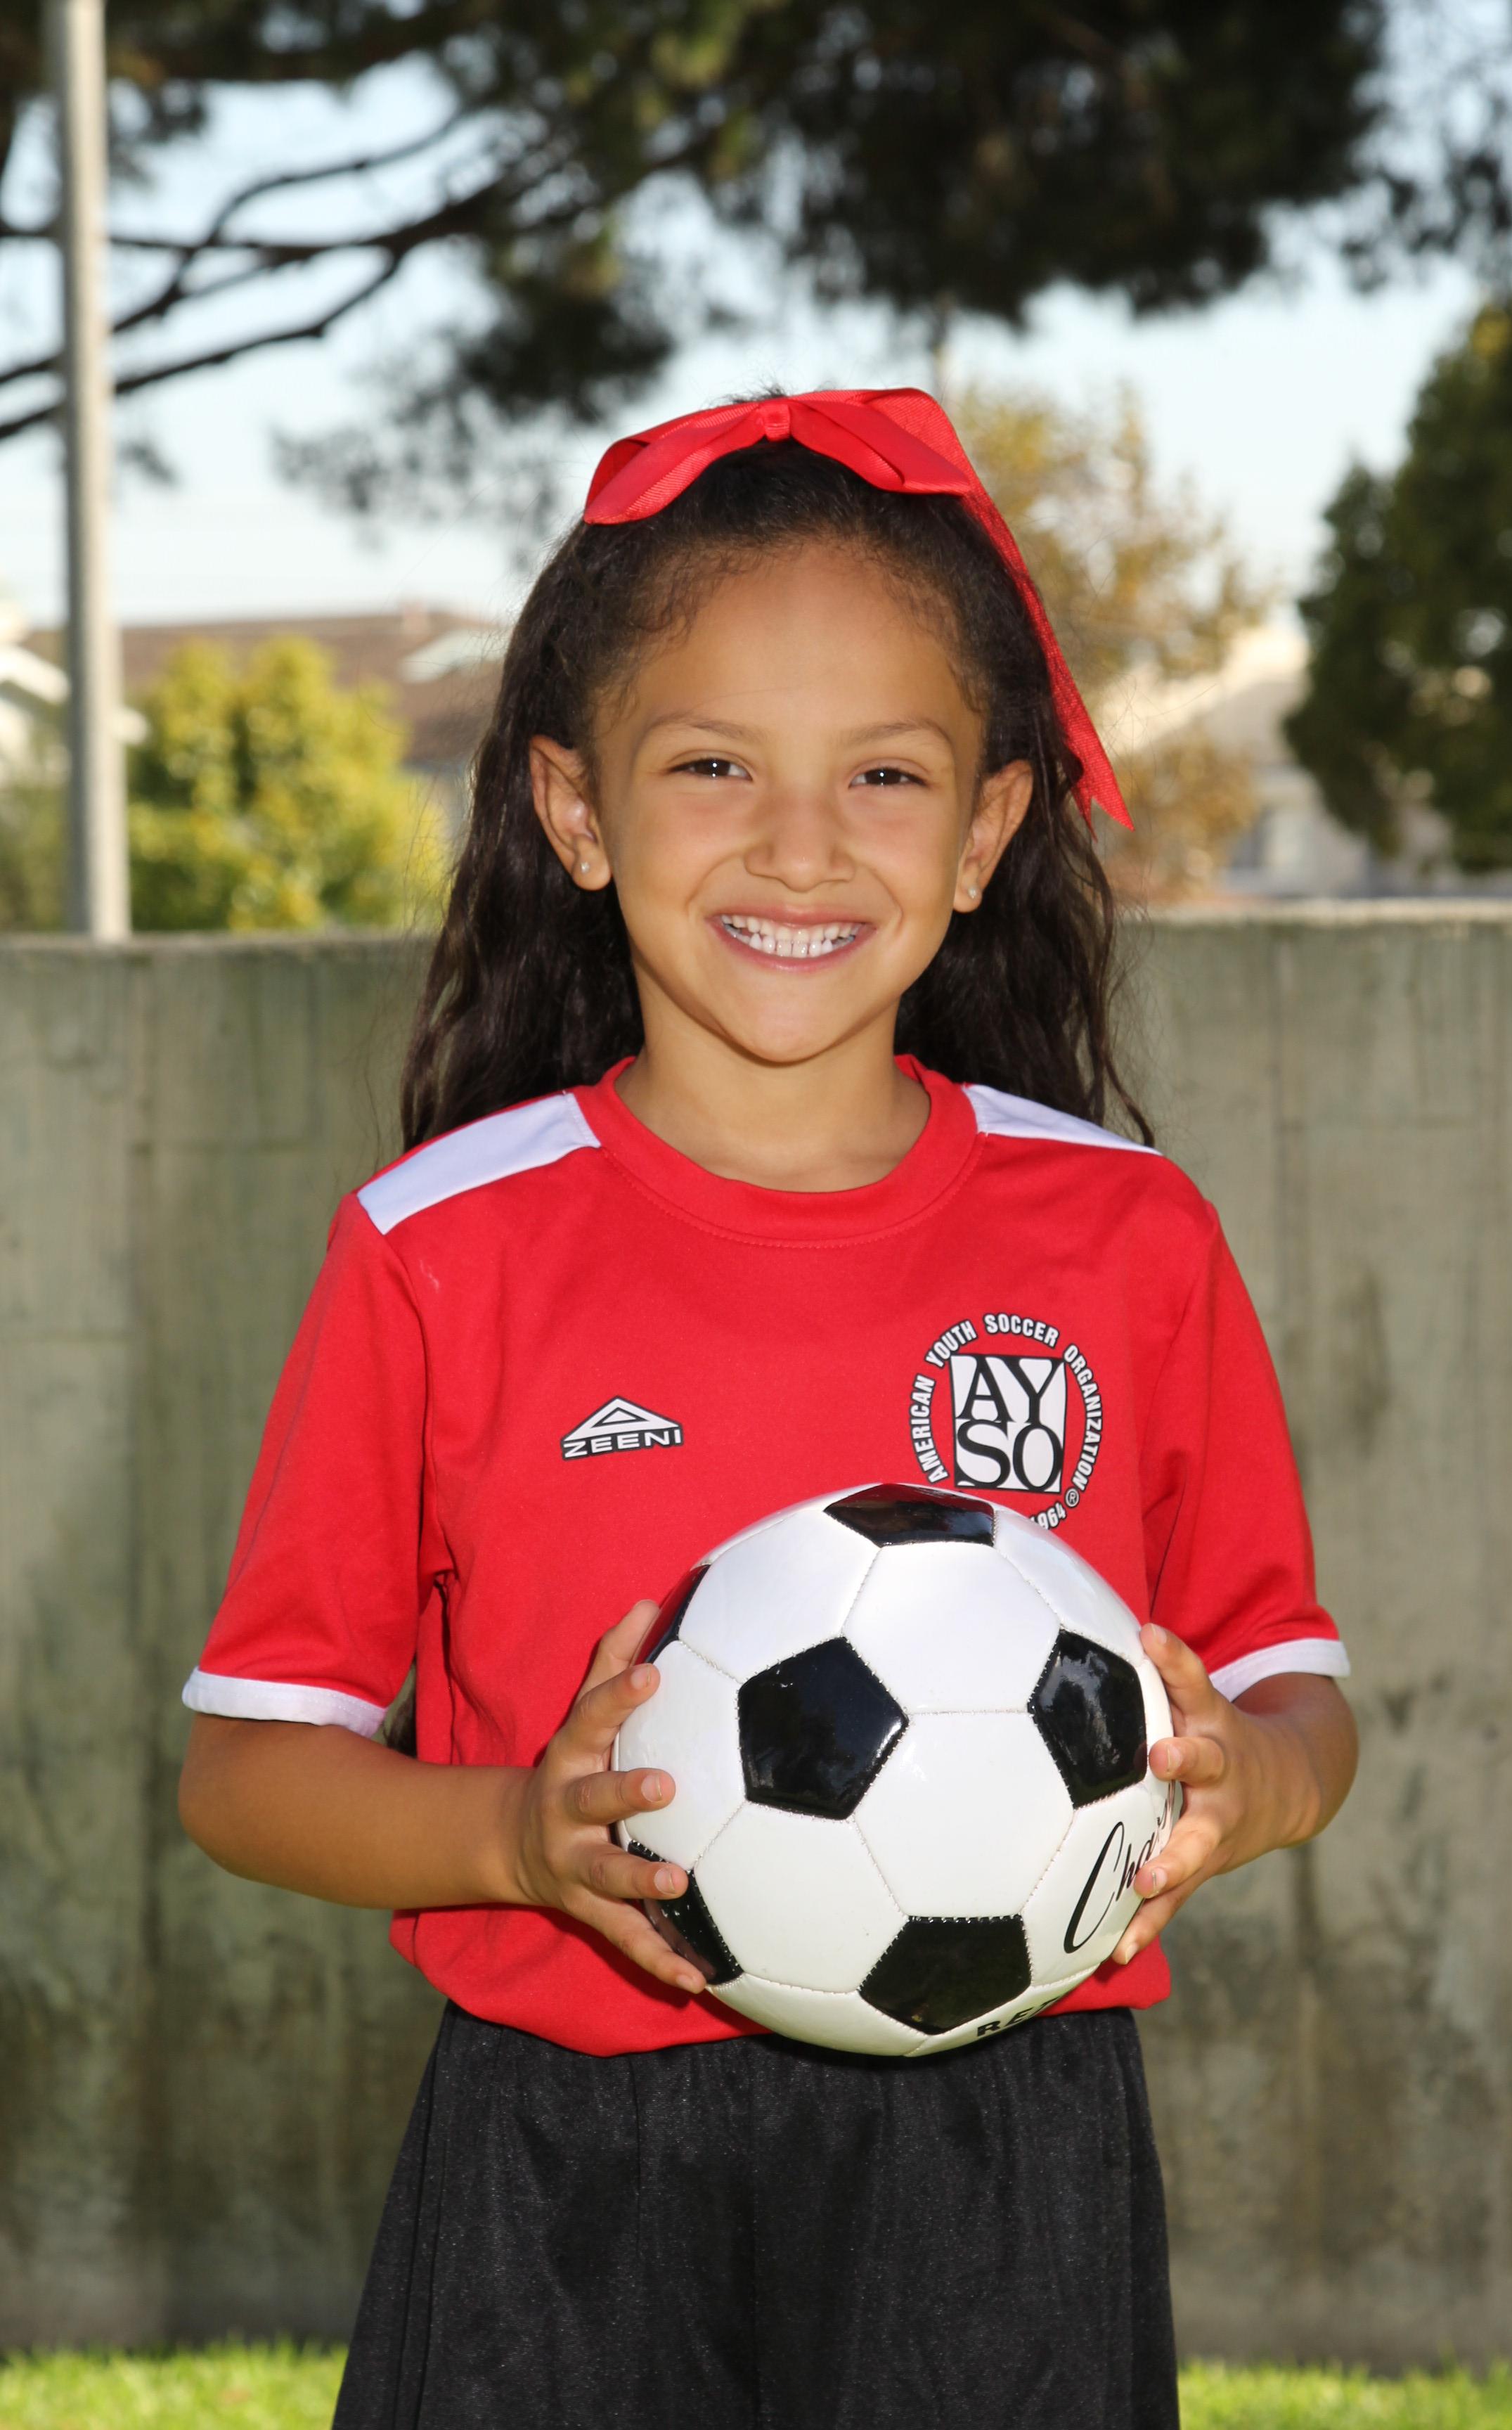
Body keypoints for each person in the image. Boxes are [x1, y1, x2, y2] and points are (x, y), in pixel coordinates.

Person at [176, 387, 1357, 2430]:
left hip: (1004, 2167)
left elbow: (1294, 1691)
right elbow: (246, 1772)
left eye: (884, 775)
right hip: (565, 2172)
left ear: (985, 830)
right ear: (574, 809)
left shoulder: (1128, 1236)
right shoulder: (440, 1247)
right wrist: (510, 1836)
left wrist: (1256, 1782)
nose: (799, 844)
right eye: (713, 763)